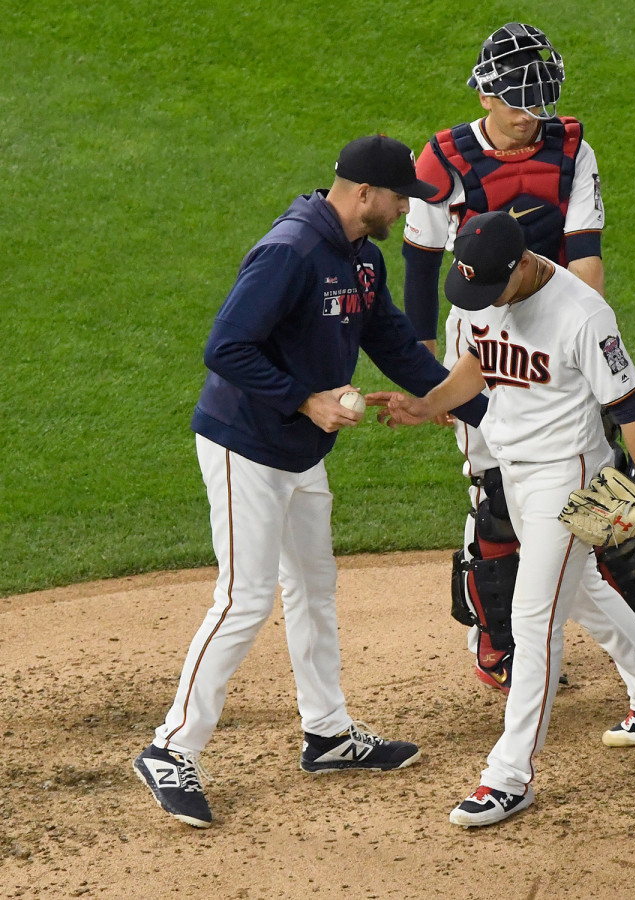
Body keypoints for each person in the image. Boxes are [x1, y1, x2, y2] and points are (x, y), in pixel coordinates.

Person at [132, 135, 487, 829]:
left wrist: (472, 407)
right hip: (245, 447)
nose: (404, 210)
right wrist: (306, 399)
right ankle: (170, 747)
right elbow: (225, 346)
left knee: (313, 590)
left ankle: (327, 733)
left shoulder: (361, 256)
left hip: (301, 453)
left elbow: (389, 343)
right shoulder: (290, 251)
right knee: (244, 598)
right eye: (399, 198)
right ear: (363, 194)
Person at [368, 211, 635, 827]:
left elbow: (630, 406)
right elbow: (475, 364)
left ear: (523, 264)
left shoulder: (583, 313)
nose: (484, 302)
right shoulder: (479, 289)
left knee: (532, 615)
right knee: (582, 590)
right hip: (514, 467)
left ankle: (509, 774)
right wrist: (428, 403)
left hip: (574, 475)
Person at [402, 22, 635, 688]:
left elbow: (585, 258)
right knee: (498, 491)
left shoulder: (569, 149)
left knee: (604, 478)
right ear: (484, 96)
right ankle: (497, 639)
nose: (528, 117)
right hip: (480, 331)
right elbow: (421, 267)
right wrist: (428, 371)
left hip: (558, 322)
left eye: (537, 101)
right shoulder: (442, 159)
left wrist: (574, 333)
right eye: (515, 102)